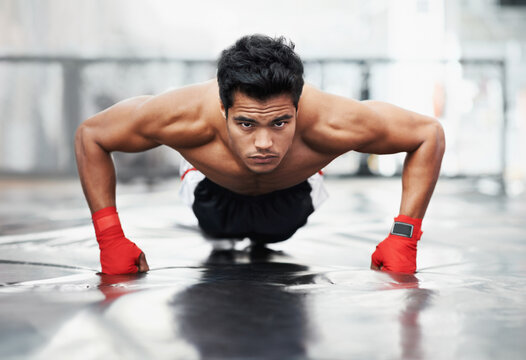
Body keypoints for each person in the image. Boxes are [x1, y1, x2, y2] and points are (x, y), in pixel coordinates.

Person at [75, 34, 445, 275]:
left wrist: (404, 236)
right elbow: (91, 135)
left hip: (291, 202)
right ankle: (203, 174)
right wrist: (110, 238)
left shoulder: (335, 121)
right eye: (247, 124)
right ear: (223, 109)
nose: (264, 142)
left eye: (281, 123)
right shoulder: (181, 116)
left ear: (298, 108)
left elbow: (427, 134)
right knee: (219, 228)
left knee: (274, 231)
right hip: (213, 195)